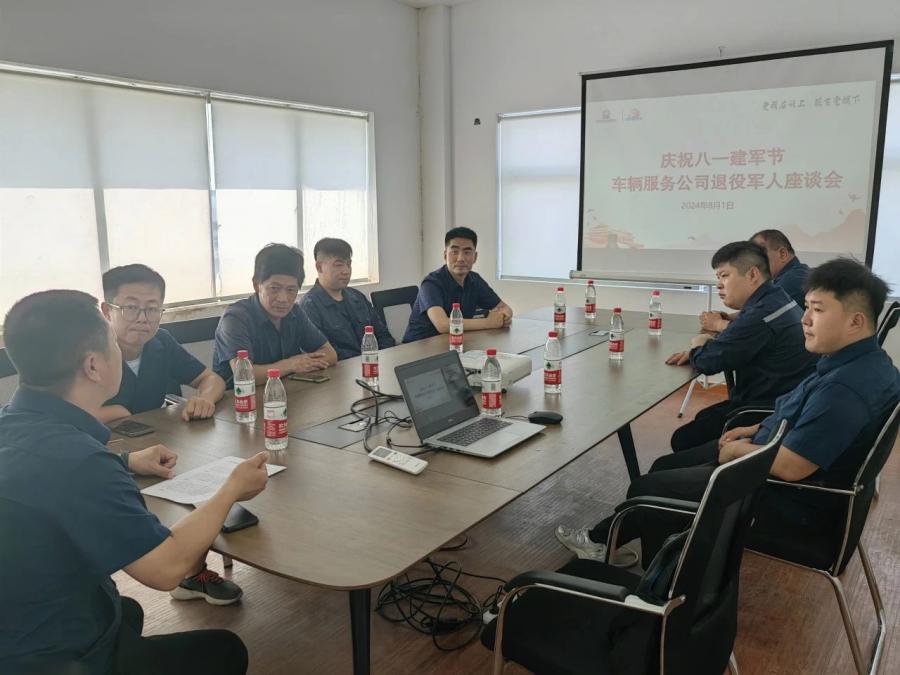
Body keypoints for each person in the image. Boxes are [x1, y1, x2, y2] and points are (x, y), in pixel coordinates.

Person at [556, 259, 899, 565]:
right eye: (806, 307)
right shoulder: (861, 363)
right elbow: (798, 413)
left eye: (818, 310)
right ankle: (621, 546)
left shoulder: (845, 389)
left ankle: (660, 588)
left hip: (786, 502)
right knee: (663, 468)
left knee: (649, 489)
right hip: (772, 462)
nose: (805, 320)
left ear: (855, 322)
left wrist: (738, 452)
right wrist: (755, 429)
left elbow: (793, 467)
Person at [0, 290, 270, 675]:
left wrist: (125, 460)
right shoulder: (81, 462)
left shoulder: (13, 423)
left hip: (17, 618)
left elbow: (46, 474)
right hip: (47, 655)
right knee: (226, 651)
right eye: (112, 343)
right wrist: (231, 489)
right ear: (93, 365)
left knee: (127, 611)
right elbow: (166, 569)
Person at [665, 241, 816, 452]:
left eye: (724, 276)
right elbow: (729, 344)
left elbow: (709, 362)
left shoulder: (760, 315)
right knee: (703, 418)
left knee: (683, 439)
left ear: (752, 274)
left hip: (767, 411)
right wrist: (706, 348)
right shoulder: (775, 297)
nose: (719, 285)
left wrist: (698, 345)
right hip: (783, 400)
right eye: (718, 277)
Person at [97, 264, 226, 424]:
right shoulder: (86, 351)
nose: (142, 318)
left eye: (152, 309)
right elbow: (70, 415)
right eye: (131, 307)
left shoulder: (161, 342)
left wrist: (205, 399)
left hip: (157, 434)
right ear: (107, 311)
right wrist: (116, 412)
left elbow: (211, 378)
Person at [213, 243, 338, 386]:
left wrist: (301, 364)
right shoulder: (235, 318)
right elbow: (245, 375)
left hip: (285, 393)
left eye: (291, 290)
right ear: (256, 285)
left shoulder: (295, 312)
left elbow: (330, 354)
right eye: (274, 288)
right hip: (241, 398)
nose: (283, 299)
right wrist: (291, 365)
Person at [403, 227, 513, 342]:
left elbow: (504, 308)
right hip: (419, 347)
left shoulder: (474, 280)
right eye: (454, 252)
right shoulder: (431, 284)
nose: (460, 258)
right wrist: (489, 323)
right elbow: (442, 325)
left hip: (455, 344)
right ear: (445, 255)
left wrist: (504, 317)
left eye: (467, 252)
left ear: (475, 257)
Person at [299, 237, 395, 360]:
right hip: (340, 369)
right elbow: (322, 354)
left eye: (348, 264)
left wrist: (374, 361)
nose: (346, 271)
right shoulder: (309, 306)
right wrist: (362, 361)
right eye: (338, 265)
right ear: (319, 267)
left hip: (374, 364)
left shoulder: (357, 297)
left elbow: (384, 336)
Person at [700, 229, 810, 333]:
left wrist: (717, 324)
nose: (754, 260)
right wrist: (728, 317)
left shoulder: (791, 280)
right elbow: (758, 313)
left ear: (782, 254)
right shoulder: (796, 272)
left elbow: (754, 326)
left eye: (760, 254)